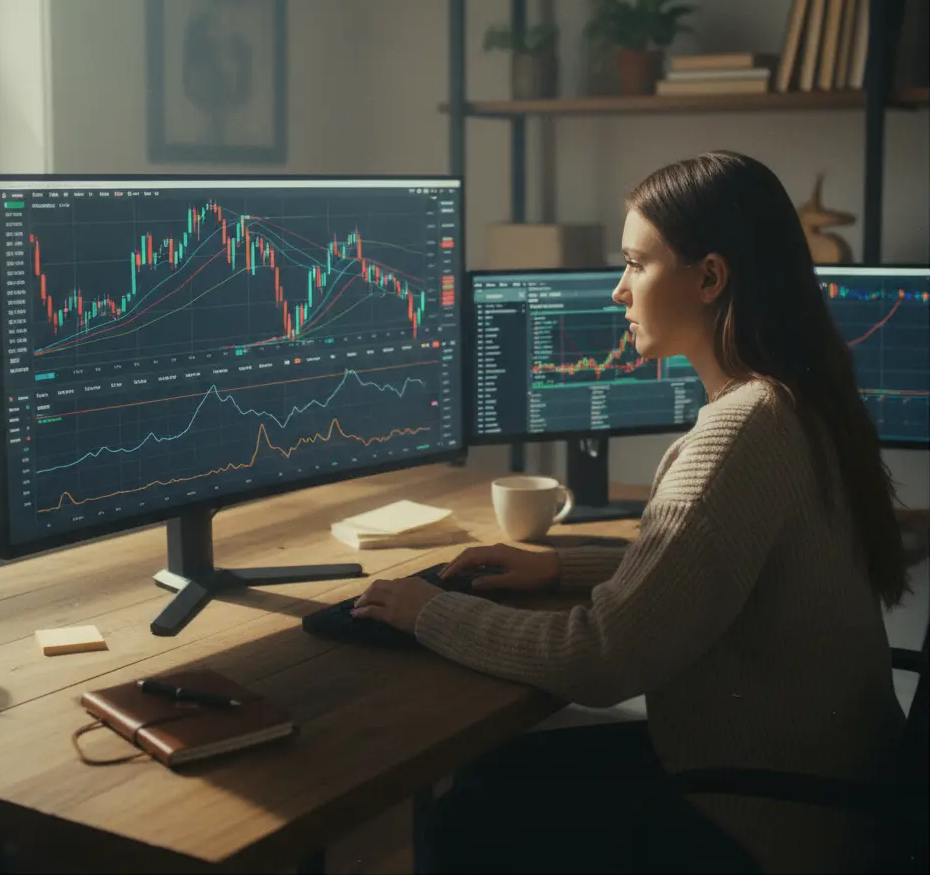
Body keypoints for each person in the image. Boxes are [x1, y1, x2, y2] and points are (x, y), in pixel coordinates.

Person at [352, 151, 910, 874]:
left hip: (765, 825)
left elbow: (602, 659)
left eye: (636, 264)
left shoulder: (741, 432)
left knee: (471, 815)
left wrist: (425, 611)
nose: (618, 291)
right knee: (494, 776)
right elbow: (714, 566)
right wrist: (560, 563)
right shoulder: (796, 403)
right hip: (831, 797)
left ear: (710, 277)